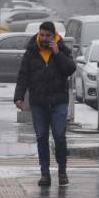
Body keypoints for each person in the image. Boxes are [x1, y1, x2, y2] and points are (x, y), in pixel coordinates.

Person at [14, 21, 76, 187]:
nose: (44, 38)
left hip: (58, 102)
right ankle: (45, 174)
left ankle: (62, 171)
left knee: (59, 136)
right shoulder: (32, 50)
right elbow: (23, 75)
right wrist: (18, 96)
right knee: (41, 137)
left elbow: (70, 69)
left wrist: (58, 53)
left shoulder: (62, 49)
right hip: (38, 102)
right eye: (42, 35)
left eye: (47, 36)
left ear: (54, 35)